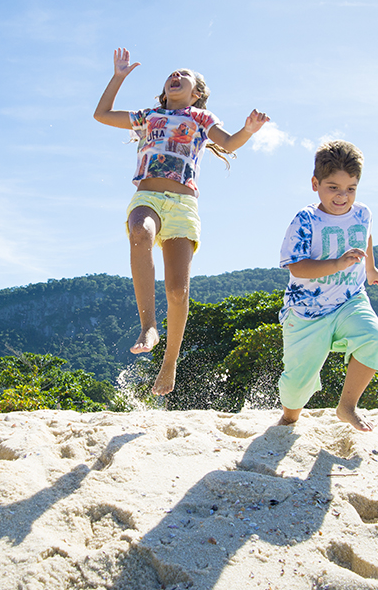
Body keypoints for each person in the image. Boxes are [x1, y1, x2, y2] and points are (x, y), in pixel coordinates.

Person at [93, 48, 269, 396]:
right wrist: (118, 77)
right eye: (171, 74)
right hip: (148, 197)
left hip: (184, 206)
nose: (175, 76)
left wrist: (248, 130)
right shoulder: (148, 116)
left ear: (196, 93)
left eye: (183, 75)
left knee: (177, 290)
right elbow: (101, 114)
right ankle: (148, 327)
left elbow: (231, 141)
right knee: (139, 232)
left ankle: (169, 361)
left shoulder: (202, 119)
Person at [276, 140, 378, 431]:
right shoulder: (306, 220)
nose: (342, 197)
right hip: (307, 312)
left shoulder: (363, 213)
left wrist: (370, 267)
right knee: (296, 385)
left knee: (376, 337)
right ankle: (289, 418)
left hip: (350, 300)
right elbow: (296, 266)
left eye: (350, 189)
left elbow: (364, 235)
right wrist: (336, 264)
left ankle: (347, 406)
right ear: (315, 184)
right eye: (333, 188)